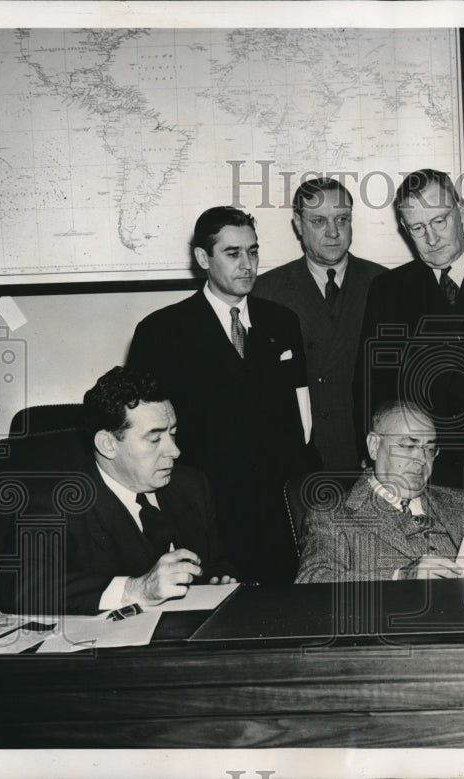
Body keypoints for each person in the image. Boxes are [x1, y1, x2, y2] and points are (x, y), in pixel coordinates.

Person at [128, 206, 320, 584]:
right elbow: (147, 434)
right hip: (207, 514)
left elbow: (302, 422)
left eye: (253, 251)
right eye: (233, 253)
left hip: (277, 511)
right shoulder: (162, 332)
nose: (247, 264)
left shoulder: (282, 322)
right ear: (203, 258)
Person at [0, 367, 236, 615]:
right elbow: (17, 586)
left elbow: (215, 563)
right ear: (108, 444)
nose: (174, 451)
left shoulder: (191, 485)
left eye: (173, 433)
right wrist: (135, 589)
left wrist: (217, 580)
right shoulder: (55, 503)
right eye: (155, 439)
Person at [354, 168, 464, 487]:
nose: (432, 238)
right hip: (423, 476)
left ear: (461, 211)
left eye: (440, 221)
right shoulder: (387, 290)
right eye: (418, 228)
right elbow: (371, 387)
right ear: (404, 229)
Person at [295, 401, 464, 583]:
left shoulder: (463, 504)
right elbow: (312, 580)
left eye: (429, 449)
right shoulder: (332, 515)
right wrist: (400, 578)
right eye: (408, 446)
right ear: (374, 446)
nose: (421, 460)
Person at [254, 178, 386, 471]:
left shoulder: (383, 284)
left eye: (342, 219)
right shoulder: (265, 292)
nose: (333, 232)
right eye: (318, 221)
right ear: (298, 225)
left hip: (367, 458)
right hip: (298, 461)